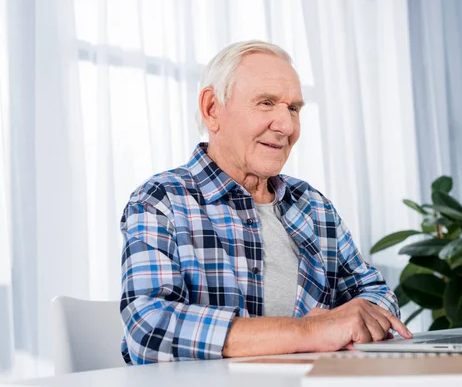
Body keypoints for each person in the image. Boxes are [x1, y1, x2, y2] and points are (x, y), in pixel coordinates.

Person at [119, 40, 412, 364]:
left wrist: (358, 318)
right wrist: (306, 332)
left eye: (293, 108)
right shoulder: (162, 201)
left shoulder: (313, 207)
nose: (286, 125)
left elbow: (377, 294)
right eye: (266, 103)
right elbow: (150, 328)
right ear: (212, 110)